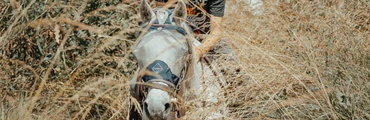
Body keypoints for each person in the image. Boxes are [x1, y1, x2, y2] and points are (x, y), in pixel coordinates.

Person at [154, 0, 225, 59]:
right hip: (171, 37)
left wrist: (199, 50)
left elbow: (216, 32)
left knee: (231, 64)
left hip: (203, 38)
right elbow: (158, 19)